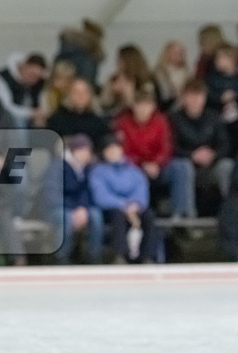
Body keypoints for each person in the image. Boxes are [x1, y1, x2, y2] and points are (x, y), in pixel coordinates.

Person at [114, 89, 193, 217]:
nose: (142, 110)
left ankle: (183, 216)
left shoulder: (161, 121)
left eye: (146, 105)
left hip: (158, 167)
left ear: (153, 107)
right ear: (133, 106)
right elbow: (122, 151)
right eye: (139, 105)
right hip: (133, 168)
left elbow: (167, 147)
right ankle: (133, 216)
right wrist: (141, 164)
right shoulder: (123, 123)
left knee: (182, 166)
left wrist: (156, 163)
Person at [168, 79, 233, 216]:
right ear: (184, 97)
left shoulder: (213, 117)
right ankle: (188, 217)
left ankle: (232, 213)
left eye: (199, 96)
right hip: (187, 165)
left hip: (211, 166)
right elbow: (170, 147)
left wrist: (213, 155)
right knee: (183, 167)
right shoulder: (173, 119)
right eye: (192, 96)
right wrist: (192, 155)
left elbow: (225, 144)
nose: (196, 100)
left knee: (227, 166)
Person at [89, 137, 159, 263]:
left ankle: (147, 256)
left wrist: (136, 205)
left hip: (134, 207)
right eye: (109, 150)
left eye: (115, 149)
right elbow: (101, 196)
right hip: (112, 208)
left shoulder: (134, 170)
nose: (113, 153)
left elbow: (141, 190)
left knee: (149, 216)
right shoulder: (98, 172)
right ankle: (120, 256)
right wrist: (124, 205)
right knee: (118, 216)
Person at [43, 134, 104, 264]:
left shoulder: (89, 168)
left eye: (88, 151)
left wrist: (82, 208)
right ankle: (61, 257)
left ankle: (93, 257)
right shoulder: (57, 166)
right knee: (65, 218)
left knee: (96, 216)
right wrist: (74, 210)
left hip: (80, 208)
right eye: (83, 151)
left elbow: (88, 192)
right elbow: (53, 194)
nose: (86, 154)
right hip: (58, 207)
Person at [46, 78, 110, 146]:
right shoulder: (57, 119)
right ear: (69, 95)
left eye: (84, 92)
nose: (80, 96)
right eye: (76, 92)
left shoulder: (98, 123)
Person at [0, 52, 47, 128]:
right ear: (23, 66)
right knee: (18, 120)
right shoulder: (2, 79)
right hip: (10, 120)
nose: (34, 80)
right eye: (31, 75)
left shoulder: (39, 83)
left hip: (32, 120)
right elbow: (6, 108)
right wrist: (31, 113)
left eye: (37, 77)